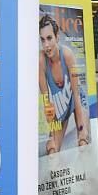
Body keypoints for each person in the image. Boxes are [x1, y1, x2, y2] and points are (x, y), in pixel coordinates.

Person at [39, 14, 89, 154]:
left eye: (49, 38)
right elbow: (46, 101)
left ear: (57, 36)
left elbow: (77, 96)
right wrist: (52, 135)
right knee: (53, 151)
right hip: (60, 107)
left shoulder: (67, 55)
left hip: (77, 99)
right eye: (42, 40)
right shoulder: (41, 60)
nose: (46, 45)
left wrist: (81, 130)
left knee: (83, 142)